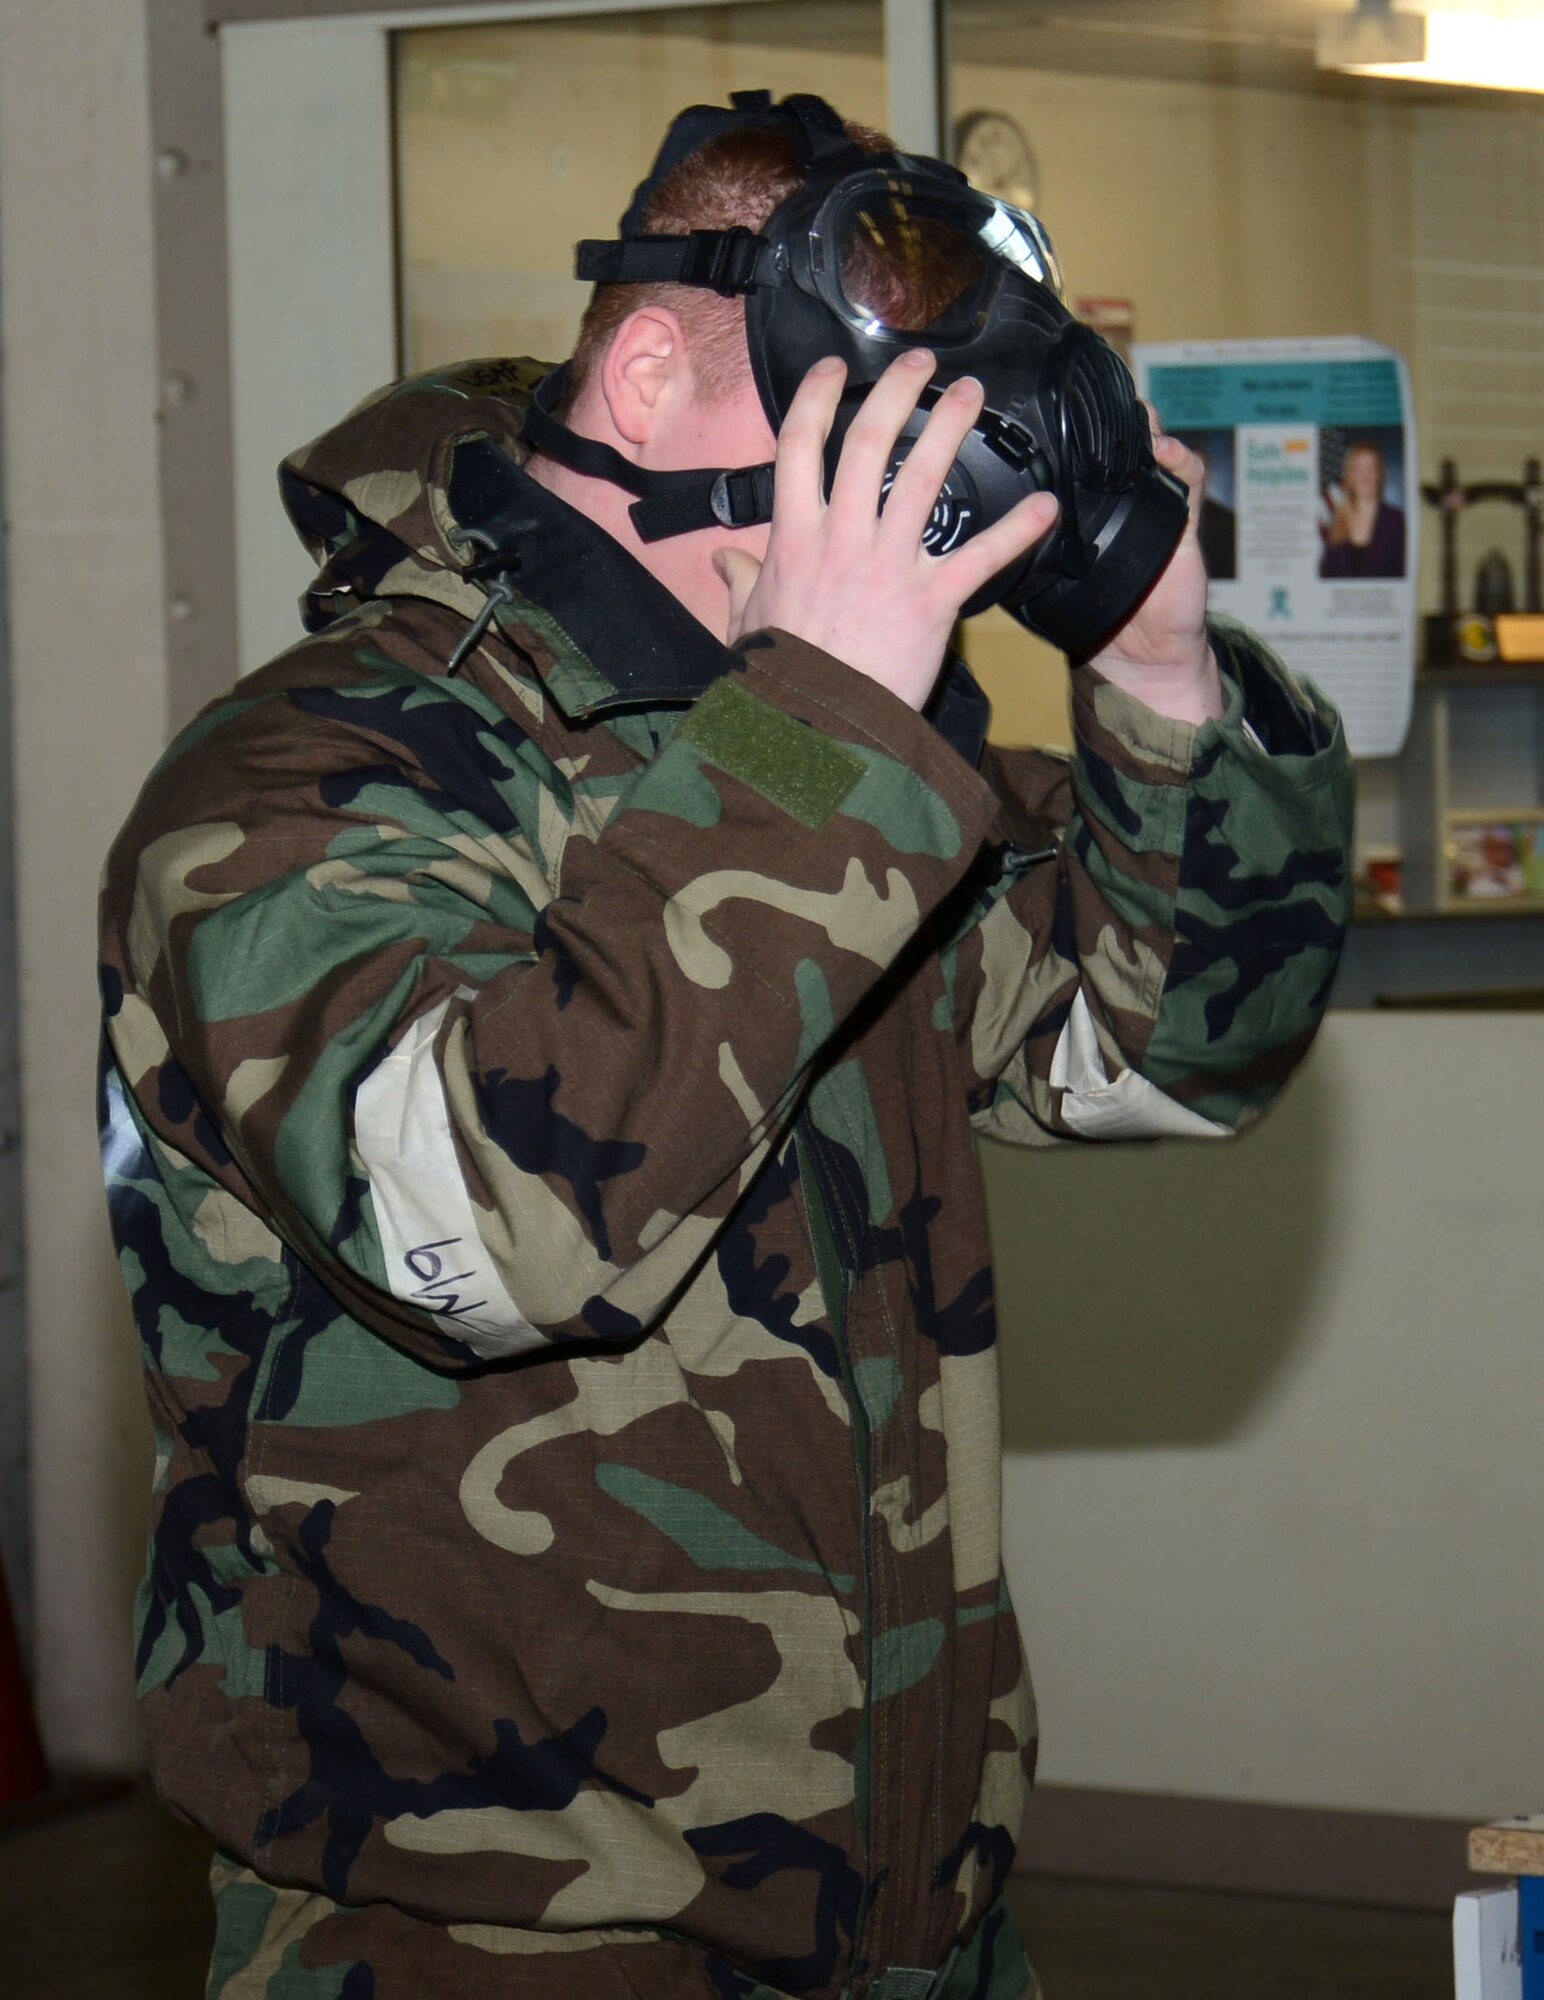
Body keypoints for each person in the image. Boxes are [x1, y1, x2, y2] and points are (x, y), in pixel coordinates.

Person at [98, 92, 1352, 2000]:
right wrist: (840, 713)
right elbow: (495, 1234)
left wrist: (1162, 672)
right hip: (483, 1944)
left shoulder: (778, 758)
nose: (883, 520)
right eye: (848, 436)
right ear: (660, 363)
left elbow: (1173, 1052)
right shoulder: (313, 782)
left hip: (909, 1926)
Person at [1319, 438, 1406, 579]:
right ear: (1349, 476)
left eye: (1371, 468)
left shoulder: (1397, 521)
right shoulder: (1337, 521)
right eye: (1357, 468)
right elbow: (1327, 575)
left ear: (1379, 474)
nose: (1365, 475)